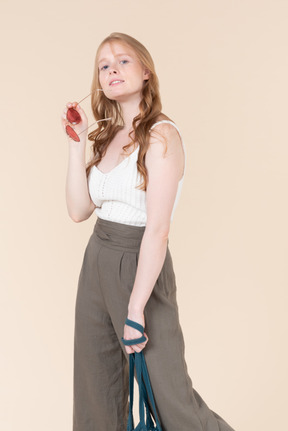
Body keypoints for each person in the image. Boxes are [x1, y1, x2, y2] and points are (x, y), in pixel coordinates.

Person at [61, 32, 235, 431]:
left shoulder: (161, 134)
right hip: (97, 261)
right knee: (95, 388)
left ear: (145, 72)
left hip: (139, 262)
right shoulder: (105, 136)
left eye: (123, 61)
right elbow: (78, 211)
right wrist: (75, 146)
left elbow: (157, 229)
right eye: (104, 65)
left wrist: (136, 308)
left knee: (169, 394)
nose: (112, 70)